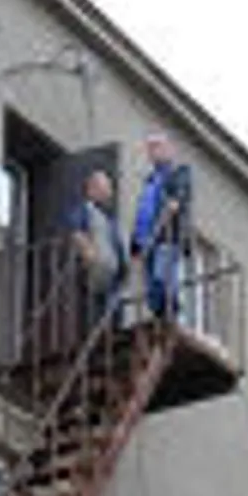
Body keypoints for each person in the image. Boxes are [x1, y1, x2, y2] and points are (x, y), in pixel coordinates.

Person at [132, 133, 194, 332]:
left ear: (169, 149)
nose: (153, 152)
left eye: (157, 146)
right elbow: (143, 211)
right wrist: (135, 244)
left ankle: (171, 315)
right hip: (147, 241)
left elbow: (176, 201)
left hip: (167, 236)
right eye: (150, 148)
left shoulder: (179, 172)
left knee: (162, 277)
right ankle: (160, 319)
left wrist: (164, 219)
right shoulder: (150, 180)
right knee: (152, 288)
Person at [69, 163, 126, 343]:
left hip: (112, 275)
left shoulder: (110, 218)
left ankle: (111, 339)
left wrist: (124, 266)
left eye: (109, 188)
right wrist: (87, 250)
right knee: (93, 312)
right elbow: (76, 231)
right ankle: (94, 342)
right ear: (91, 189)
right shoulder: (85, 210)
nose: (109, 192)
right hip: (94, 271)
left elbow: (117, 245)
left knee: (114, 313)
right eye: (104, 188)